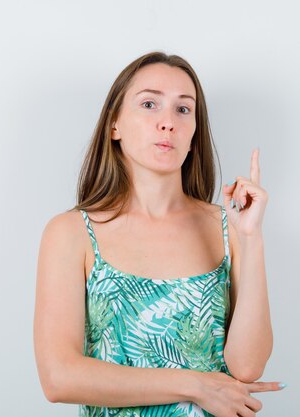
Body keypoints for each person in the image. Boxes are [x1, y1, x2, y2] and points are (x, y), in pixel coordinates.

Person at [33, 51, 284, 417]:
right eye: (150, 104)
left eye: (183, 109)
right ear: (114, 125)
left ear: (194, 134)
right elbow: (59, 377)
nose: (168, 122)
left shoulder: (228, 227)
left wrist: (252, 237)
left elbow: (247, 367)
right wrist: (196, 385)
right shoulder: (71, 233)